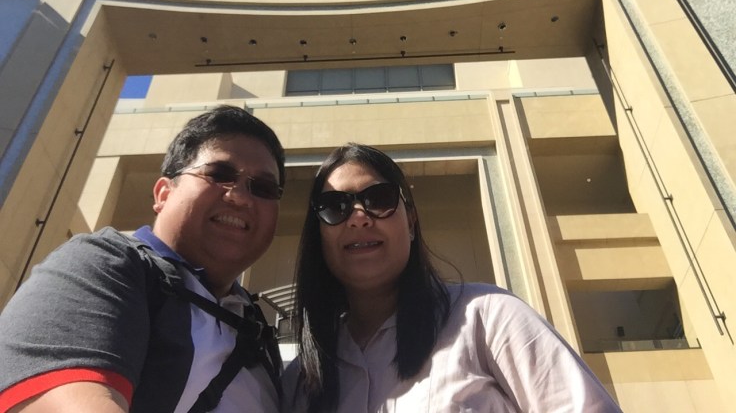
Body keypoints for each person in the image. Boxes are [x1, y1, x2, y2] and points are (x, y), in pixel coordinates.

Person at [282, 143, 623, 413]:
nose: (359, 218)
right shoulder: (298, 381)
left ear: (411, 222)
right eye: (334, 206)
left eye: (378, 199)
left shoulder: (487, 316)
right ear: (318, 234)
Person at [0, 105, 285, 413]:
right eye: (219, 174)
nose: (240, 197)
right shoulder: (103, 264)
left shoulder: (255, 325)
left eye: (263, 188)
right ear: (163, 194)